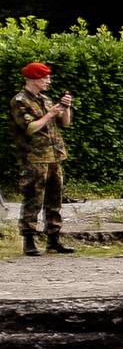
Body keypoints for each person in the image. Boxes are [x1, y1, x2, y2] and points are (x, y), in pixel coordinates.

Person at [15, 63, 74, 256]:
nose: (48, 81)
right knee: (33, 198)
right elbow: (30, 127)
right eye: (45, 78)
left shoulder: (46, 99)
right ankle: (29, 241)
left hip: (54, 155)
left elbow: (65, 123)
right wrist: (49, 115)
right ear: (33, 79)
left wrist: (65, 108)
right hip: (34, 157)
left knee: (54, 199)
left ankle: (53, 240)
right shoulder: (20, 101)